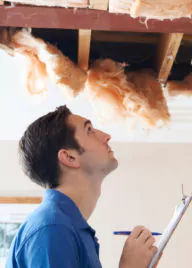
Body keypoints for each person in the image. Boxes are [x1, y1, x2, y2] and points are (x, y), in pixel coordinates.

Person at [6, 105, 159, 268]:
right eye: (89, 130)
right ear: (69, 157)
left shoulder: (67, 229)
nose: (106, 136)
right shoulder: (54, 229)